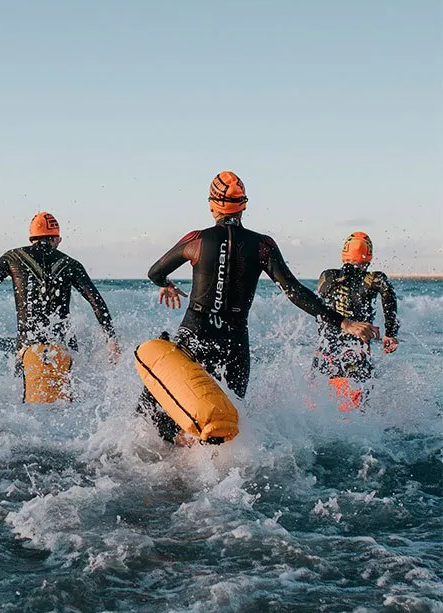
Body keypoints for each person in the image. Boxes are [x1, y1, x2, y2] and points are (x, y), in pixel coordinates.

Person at [143, 172, 378, 442]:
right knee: (227, 424)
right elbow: (294, 291)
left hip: (195, 335)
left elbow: (155, 272)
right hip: (234, 345)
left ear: (211, 205)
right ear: (244, 205)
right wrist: (344, 322)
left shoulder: (196, 239)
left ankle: (172, 458)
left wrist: (166, 284)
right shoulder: (262, 245)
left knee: (161, 409)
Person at [0, 211, 119, 401]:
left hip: (28, 349)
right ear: (56, 239)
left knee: (25, 403)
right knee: (69, 404)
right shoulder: (70, 264)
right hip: (62, 347)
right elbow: (96, 301)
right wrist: (111, 339)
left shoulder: (12, 257)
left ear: (31, 238)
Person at [312, 231, 399, 396]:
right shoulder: (375, 278)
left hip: (326, 353)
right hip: (356, 353)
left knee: (315, 404)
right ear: (369, 256)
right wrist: (390, 333)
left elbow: (317, 306)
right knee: (358, 407)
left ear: (344, 254)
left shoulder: (327, 276)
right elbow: (389, 297)